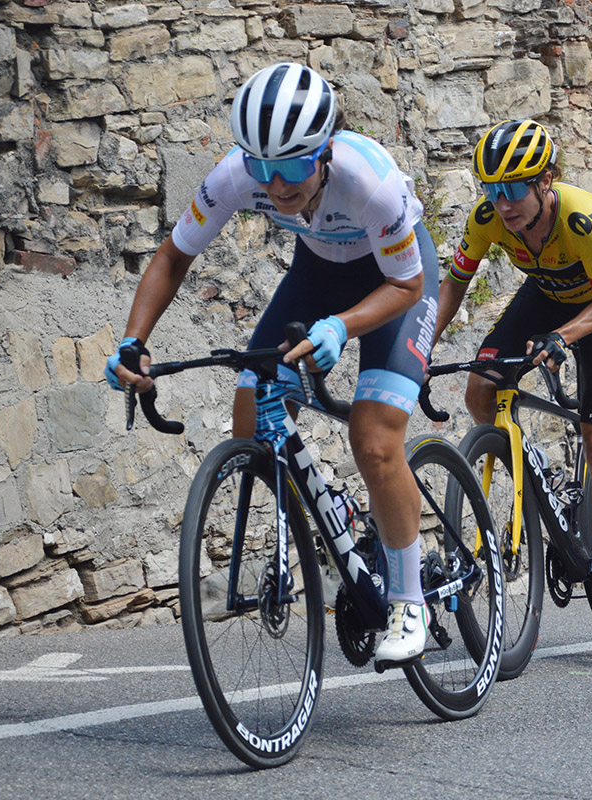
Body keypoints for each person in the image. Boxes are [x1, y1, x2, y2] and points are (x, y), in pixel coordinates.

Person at [105, 63, 438, 667]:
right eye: (262, 168)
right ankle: (316, 540)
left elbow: (408, 284)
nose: (275, 185)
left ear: (325, 152)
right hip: (318, 272)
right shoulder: (238, 175)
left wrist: (342, 326)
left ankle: (409, 599)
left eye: (290, 168)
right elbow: (173, 257)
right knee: (249, 415)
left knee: (373, 437)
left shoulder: (371, 184)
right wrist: (134, 340)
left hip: (394, 283)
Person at [431, 119, 592, 631]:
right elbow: (454, 286)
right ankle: (536, 463)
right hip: (545, 295)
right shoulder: (488, 218)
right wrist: (419, 347)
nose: (502, 203)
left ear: (545, 182)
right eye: (491, 190)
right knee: (481, 390)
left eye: (512, 190)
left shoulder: (582, 220)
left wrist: (563, 338)